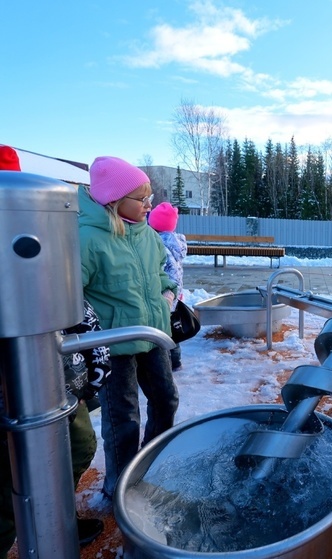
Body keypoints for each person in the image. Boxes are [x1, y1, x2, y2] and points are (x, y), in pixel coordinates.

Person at [0, 146, 110, 554]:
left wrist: (92, 352)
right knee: (5, 476)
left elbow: (73, 301)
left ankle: (53, 515)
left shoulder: (51, 230)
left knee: (78, 444)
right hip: (10, 381)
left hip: (55, 377)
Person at [77, 155, 179, 500]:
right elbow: (72, 294)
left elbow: (163, 274)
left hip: (151, 338)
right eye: (142, 198)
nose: (150, 203)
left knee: (166, 400)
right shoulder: (88, 239)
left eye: (150, 196)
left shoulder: (146, 234)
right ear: (115, 200)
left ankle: (149, 467)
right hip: (115, 347)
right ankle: (118, 488)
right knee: (123, 419)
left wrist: (168, 293)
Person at [148, 202, 188, 370]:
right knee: (172, 328)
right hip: (176, 291)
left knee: (164, 330)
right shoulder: (176, 243)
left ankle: (167, 362)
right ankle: (176, 360)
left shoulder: (157, 244)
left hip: (165, 293)